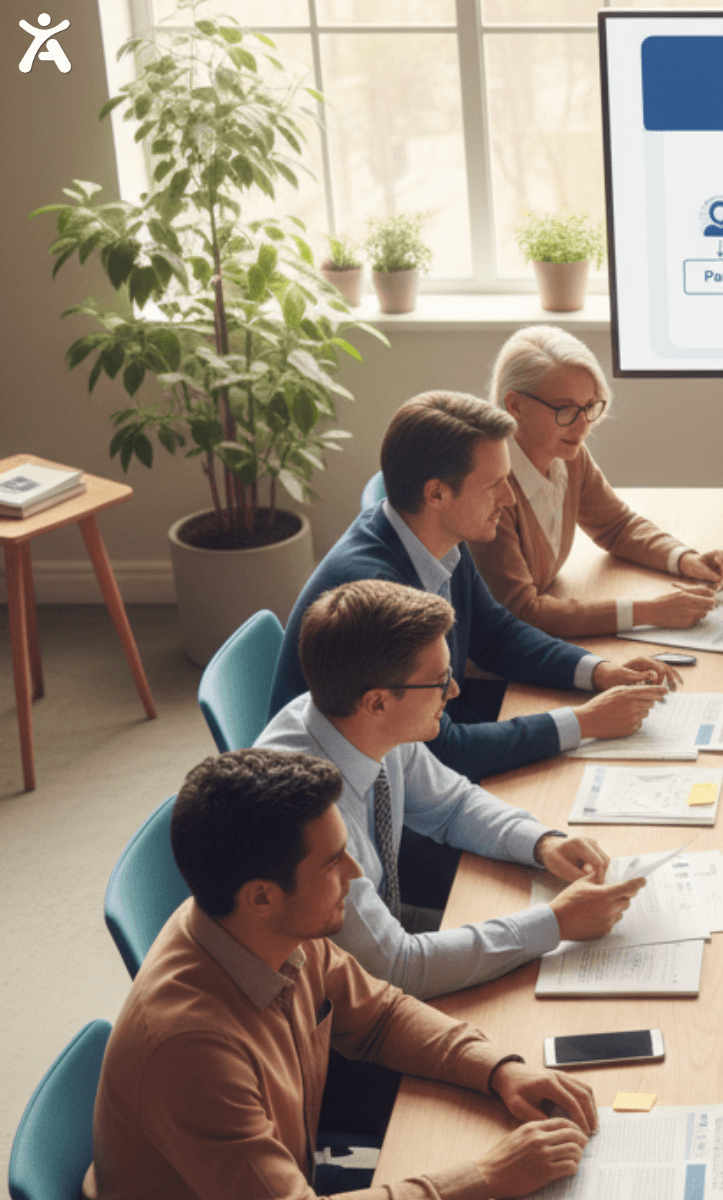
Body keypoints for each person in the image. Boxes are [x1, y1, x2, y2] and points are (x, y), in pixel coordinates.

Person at [91, 749, 601, 1200]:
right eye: (334, 861)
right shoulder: (190, 1050)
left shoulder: (263, 928)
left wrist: (500, 1070)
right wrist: (484, 1177)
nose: (357, 873)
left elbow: (380, 1015)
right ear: (262, 896)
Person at [258, 579, 645, 998]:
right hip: (325, 1010)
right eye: (440, 681)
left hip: (384, 942)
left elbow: (452, 805)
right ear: (378, 702)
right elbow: (396, 968)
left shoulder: (359, 723)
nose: (455, 691)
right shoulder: (310, 815)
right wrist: (555, 924)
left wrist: (541, 843)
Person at [271, 390, 681, 783]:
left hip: (434, 730)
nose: (509, 498)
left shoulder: (438, 536)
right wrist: (584, 722)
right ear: (437, 493)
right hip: (353, 804)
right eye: (494, 485)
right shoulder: (374, 593)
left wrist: (599, 672)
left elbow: (496, 634)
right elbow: (441, 750)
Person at [468, 325, 723, 639]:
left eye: (590, 407)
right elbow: (522, 611)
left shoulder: (569, 456)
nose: (583, 425)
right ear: (514, 405)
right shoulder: (490, 489)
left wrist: (686, 560)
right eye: (566, 409)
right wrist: (650, 612)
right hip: (491, 663)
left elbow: (617, 526)